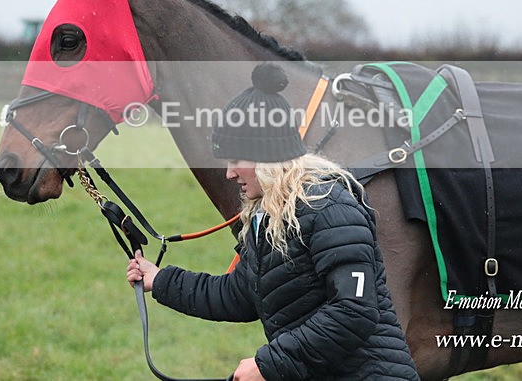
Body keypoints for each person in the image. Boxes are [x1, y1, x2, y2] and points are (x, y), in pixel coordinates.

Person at [127, 63, 419, 380]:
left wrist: (270, 363)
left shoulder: (330, 207)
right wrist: (160, 280)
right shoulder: (268, 218)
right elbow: (236, 295)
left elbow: (354, 311)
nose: (229, 173)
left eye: (235, 159)